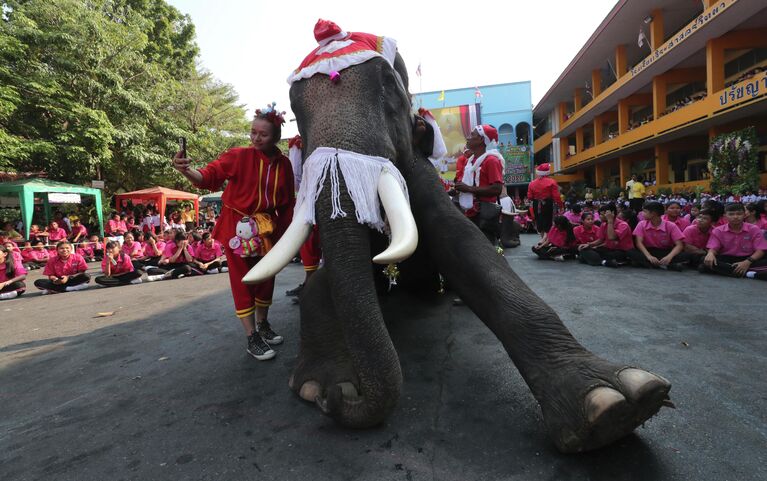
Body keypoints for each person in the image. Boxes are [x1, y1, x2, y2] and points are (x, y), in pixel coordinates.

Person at [171, 105, 295, 361]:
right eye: (253, 132)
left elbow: (287, 203)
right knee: (243, 280)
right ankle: (252, 337)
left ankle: (263, 324)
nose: (256, 138)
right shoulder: (238, 156)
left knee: (266, 277)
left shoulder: (284, 164)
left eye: (263, 134)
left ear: (276, 137)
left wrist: (285, 237)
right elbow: (208, 177)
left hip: (267, 229)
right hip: (237, 229)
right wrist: (185, 169)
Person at [453, 125, 504, 244]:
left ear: (481, 139)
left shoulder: (491, 160)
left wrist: (468, 189)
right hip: (471, 213)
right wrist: (459, 190)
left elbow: (497, 189)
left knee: (487, 250)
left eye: (472, 135)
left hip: (484, 216)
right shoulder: (470, 161)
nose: (468, 137)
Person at [702, 203, 767, 280]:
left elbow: (761, 250)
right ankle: (749, 274)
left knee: (704, 268)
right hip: (727, 258)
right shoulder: (718, 230)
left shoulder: (754, 229)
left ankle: (730, 271)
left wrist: (747, 262)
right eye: (731, 214)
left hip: (750, 258)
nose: (735, 217)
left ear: (744, 215)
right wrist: (710, 253)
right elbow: (713, 247)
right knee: (704, 260)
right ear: (725, 216)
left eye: (739, 214)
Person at [627, 201, 689, 270]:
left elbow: (679, 245)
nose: (642, 214)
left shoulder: (671, 225)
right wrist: (649, 256)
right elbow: (639, 243)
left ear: (653, 213)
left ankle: (651, 263)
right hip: (648, 250)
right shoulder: (641, 224)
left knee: (686, 255)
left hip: (665, 251)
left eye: (645, 211)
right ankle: (666, 264)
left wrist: (669, 257)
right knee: (630, 252)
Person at [528, 163, 563, 236]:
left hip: (536, 204)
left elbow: (530, 197)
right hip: (548, 203)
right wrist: (560, 206)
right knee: (548, 221)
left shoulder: (532, 183)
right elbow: (556, 196)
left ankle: (542, 239)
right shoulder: (552, 182)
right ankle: (546, 241)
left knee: (539, 221)